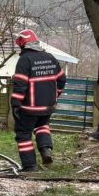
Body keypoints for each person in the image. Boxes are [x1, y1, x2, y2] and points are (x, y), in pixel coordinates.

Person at [10, 28, 66, 171]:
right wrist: (55, 96)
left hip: (29, 108)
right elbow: (61, 79)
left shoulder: (24, 60)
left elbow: (20, 84)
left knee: (23, 134)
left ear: (23, 44)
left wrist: (15, 104)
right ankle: (46, 149)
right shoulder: (50, 57)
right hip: (48, 106)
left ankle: (30, 166)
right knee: (42, 126)